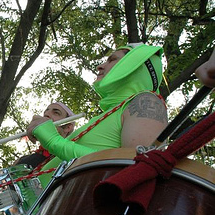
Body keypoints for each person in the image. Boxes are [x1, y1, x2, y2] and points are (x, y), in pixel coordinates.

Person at [27, 43, 168, 186]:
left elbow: (138, 168)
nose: (100, 66)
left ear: (135, 65)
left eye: (112, 60)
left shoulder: (147, 102)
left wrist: (53, 141)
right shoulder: (113, 112)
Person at [14, 102, 75, 169]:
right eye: (46, 111)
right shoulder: (21, 160)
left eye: (56, 113)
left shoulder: (72, 160)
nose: (46, 114)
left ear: (68, 127)